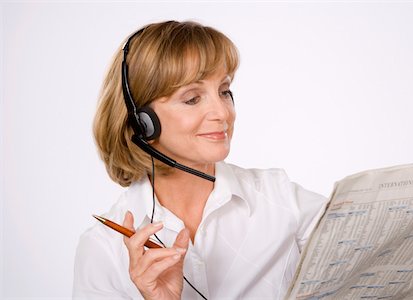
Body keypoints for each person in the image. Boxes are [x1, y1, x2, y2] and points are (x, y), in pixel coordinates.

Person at [73, 20, 327, 299]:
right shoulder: (103, 250)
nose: (222, 113)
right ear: (142, 122)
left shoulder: (281, 198)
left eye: (224, 91)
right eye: (193, 98)